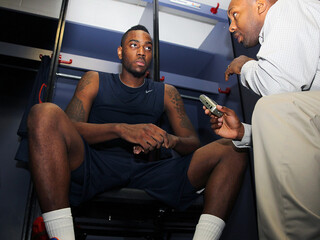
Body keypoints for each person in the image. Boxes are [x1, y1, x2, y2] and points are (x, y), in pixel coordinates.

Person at [27, 25, 248, 240]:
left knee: (233, 149)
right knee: (44, 113)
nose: (142, 51)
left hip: (149, 171)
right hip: (97, 165)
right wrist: (120, 129)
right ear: (120, 52)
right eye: (134, 45)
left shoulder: (167, 93)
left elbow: (192, 143)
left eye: (148, 47)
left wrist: (168, 139)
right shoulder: (93, 79)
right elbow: (70, 128)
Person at [204, 0, 320, 239]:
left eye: (235, 15)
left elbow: (279, 87)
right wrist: (242, 133)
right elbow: (295, 119)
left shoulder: (288, 7)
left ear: (259, 5)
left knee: (270, 106)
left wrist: (244, 65)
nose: (231, 27)